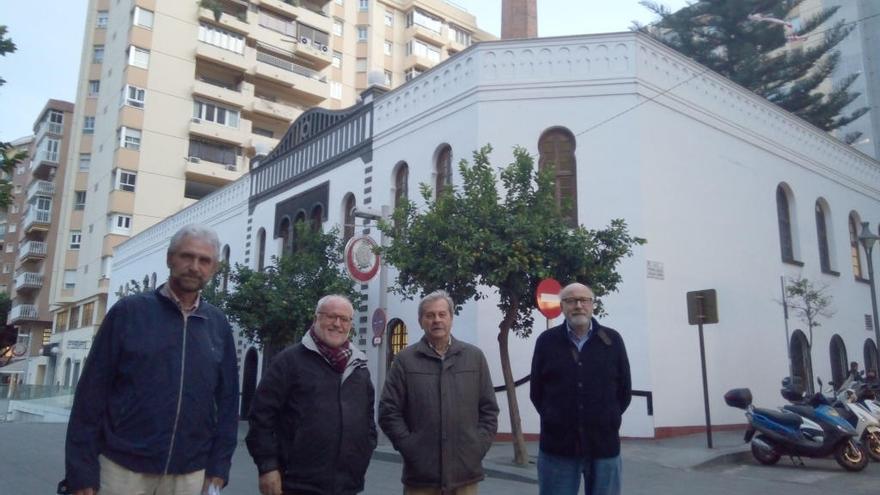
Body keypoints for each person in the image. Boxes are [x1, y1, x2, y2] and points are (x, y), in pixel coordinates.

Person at [62, 224, 239, 495]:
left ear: (214, 268)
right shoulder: (129, 313)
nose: (194, 266)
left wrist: (219, 467)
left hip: (190, 473)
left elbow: (227, 403)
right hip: (123, 468)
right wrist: (81, 470)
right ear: (170, 258)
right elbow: (91, 394)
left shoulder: (217, 324)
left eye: (204, 260)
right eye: (186, 256)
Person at [246, 295, 377, 495]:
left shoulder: (359, 368)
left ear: (350, 324)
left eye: (344, 319)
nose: (337, 324)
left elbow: (367, 422)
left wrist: (361, 460)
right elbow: (261, 418)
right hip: (296, 484)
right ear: (316, 319)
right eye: (331, 316)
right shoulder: (288, 361)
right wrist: (268, 467)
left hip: (347, 486)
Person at [379, 290, 499, 495]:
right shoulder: (405, 360)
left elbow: (489, 409)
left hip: (465, 475)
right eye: (430, 315)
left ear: (451, 318)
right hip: (421, 477)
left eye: (442, 314)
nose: (436, 320)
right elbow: (388, 411)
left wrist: (477, 447)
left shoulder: (474, 357)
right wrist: (410, 448)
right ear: (420, 321)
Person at [530, 282, 631, 495]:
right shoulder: (546, 342)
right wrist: (555, 418)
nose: (578, 305)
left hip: (604, 446)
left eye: (584, 300)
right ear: (562, 306)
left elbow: (624, 391)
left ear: (592, 305)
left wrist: (607, 418)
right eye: (571, 300)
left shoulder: (612, 341)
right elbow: (537, 392)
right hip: (558, 448)